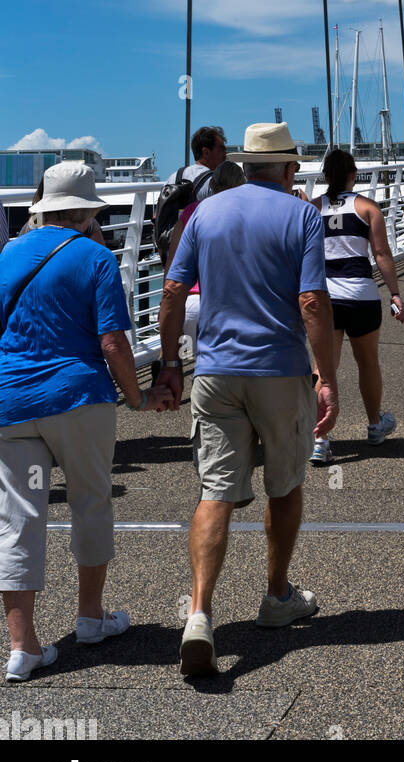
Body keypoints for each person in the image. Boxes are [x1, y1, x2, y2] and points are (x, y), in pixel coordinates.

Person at [158, 122, 338, 679]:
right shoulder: (302, 215)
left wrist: (169, 366)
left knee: (215, 492)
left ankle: (198, 615)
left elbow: (170, 290)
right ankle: (277, 596)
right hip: (279, 371)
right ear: (287, 169)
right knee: (284, 485)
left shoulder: (205, 213)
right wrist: (327, 375)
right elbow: (310, 300)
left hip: (215, 370)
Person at [0, 163, 172, 682]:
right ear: (90, 213)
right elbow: (113, 343)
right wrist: (139, 398)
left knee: (17, 518)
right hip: (78, 398)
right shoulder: (96, 257)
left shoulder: (8, 253)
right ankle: (91, 617)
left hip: (11, 402)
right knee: (90, 500)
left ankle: (22, 646)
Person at [309, 149, 404, 466]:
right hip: (362, 296)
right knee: (367, 362)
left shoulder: (312, 210)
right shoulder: (367, 208)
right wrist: (395, 294)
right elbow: (381, 255)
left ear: (325, 177)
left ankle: (320, 439)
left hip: (325, 299)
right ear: (354, 175)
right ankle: (375, 425)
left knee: (324, 369)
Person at [163, 161, 245, 366]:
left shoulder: (191, 212)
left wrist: (166, 309)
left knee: (203, 372)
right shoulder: (247, 214)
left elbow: (173, 265)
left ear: (213, 185)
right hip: (229, 307)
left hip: (190, 306)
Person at [163, 126, 227, 203]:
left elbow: (157, 213)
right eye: (221, 149)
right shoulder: (215, 183)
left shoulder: (173, 178)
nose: (225, 154)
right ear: (206, 152)